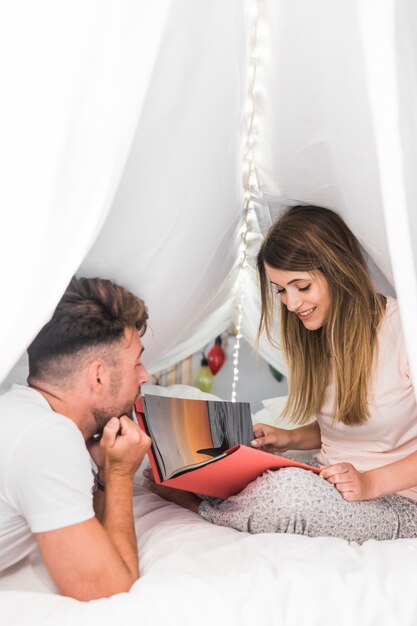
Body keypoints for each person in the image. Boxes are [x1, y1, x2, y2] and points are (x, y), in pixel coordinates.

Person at [145, 205, 417, 544]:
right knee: (240, 454)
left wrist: (370, 482)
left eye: (301, 286)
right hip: (328, 478)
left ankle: (200, 505)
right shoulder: (320, 334)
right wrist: (287, 437)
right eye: (281, 290)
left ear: (339, 271)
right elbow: (349, 428)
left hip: (398, 500)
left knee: (290, 494)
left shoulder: (405, 328)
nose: (290, 303)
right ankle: (197, 481)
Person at [0, 276, 151, 600]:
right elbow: (110, 589)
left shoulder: (22, 411)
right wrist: (121, 474)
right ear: (98, 375)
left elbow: (88, 533)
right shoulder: (47, 438)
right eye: (136, 362)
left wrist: (104, 476)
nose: (144, 375)